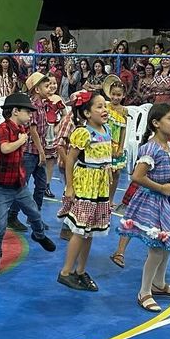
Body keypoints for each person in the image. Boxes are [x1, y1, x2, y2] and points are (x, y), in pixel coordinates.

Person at [117, 103, 170, 311]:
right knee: (157, 251)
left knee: (167, 246)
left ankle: (159, 284)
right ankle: (144, 291)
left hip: (168, 202)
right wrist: (162, 187)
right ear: (156, 123)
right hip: (153, 203)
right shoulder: (151, 148)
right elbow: (136, 176)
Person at [0, 92, 57, 277]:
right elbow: (5, 148)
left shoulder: (21, 130)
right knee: (0, 226)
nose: (30, 115)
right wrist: (21, 141)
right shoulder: (3, 129)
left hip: (18, 183)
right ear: (15, 111)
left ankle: (39, 235)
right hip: (2, 186)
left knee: (34, 212)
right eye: (27, 112)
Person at [56, 91, 112, 292]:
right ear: (87, 113)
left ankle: (80, 270)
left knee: (89, 232)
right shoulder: (83, 132)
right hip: (85, 186)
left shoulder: (106, 129)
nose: (104, 110)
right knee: (79, 231)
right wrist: (70, 186)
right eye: (99, 106)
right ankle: (65, 272)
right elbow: (70, 159)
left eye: (104, 105)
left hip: (99, 187)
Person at [6, 72, 50, 232]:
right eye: (46, 85)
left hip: (38, 151)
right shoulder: (32, 107)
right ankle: (11, 216)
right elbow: (33, 130)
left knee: (40, 186)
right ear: (37, 89)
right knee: (22, 186)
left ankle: (34, 217)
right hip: (31, 152)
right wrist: (41, 152)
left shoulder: (44, 105)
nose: (50, 87)